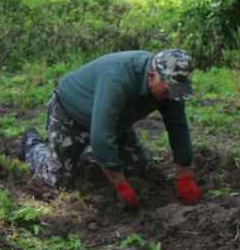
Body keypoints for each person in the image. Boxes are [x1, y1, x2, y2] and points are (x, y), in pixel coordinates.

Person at [19, 49, 202, 207]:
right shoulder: (118, 79)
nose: (171, 96)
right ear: (151, 76)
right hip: (70, 112)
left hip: (114, 118)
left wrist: (184, 174)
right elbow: (101, 136)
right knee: (61, 179)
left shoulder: (171, 88)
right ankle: (32, 144)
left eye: (176, 90)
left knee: (140, 168)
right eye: (168, 90)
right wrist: (121, 185)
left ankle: (91, 154)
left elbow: (178, 127)